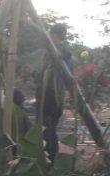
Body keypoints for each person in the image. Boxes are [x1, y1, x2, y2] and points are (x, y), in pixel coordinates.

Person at [35, 23, 72, 162]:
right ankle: (52, 161)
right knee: (51, 130)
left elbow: (45, 75)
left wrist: (34, 75)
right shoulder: (68, 55)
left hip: (48, 96)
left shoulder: (54, 52)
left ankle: (48, 162)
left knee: (45, 130)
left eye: (50, 35)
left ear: (54, 35)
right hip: (58, 98)